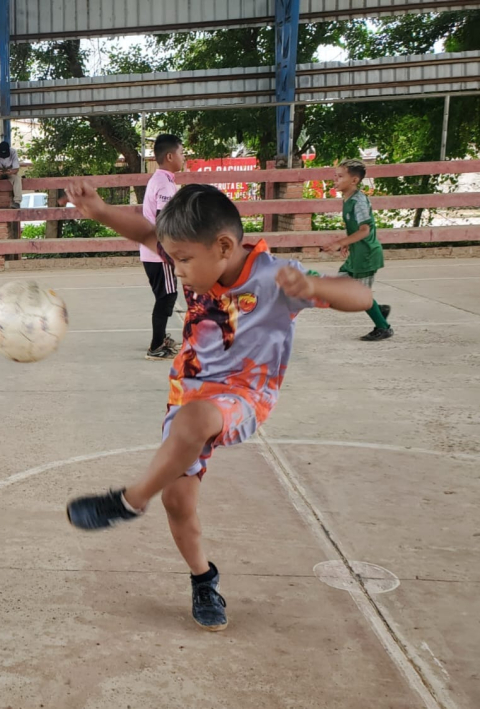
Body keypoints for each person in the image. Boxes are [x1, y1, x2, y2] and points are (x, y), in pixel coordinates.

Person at [63, 182, 372, 632]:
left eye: (183, 260)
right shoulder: (197, 261)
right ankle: (204, 578)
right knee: (178, 500)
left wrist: (314, 284)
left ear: (224, 246)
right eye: (174, 259)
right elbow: (146, 234)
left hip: (245, 395)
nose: (178, 270)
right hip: (189, 387)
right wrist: (100, 210)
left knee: (197, 420)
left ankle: (130, 501)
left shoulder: (275, 277)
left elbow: (360, 296)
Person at [322, 159, 392, 341]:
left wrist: (340, 242)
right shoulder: (348, 199)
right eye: (335, 176)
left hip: (367, 255)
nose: (335, 180)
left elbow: (365, 230)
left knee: (360, 296)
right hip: (357, 254)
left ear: (354, 180)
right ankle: (378, 309)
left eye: (339, 176)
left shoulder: (359, 201)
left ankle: (383, 328)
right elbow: (355, 228)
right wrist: (348, 243)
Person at [141, 134, 185, 360]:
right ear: (170, 156)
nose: (183, 157)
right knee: (167, 296)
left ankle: (160, 338)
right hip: (159, 252)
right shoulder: (165, 184)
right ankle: (156, 345)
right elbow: (163, 220)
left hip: (151, 251)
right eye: (181, 152)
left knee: (165, 295)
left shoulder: (159, 179)